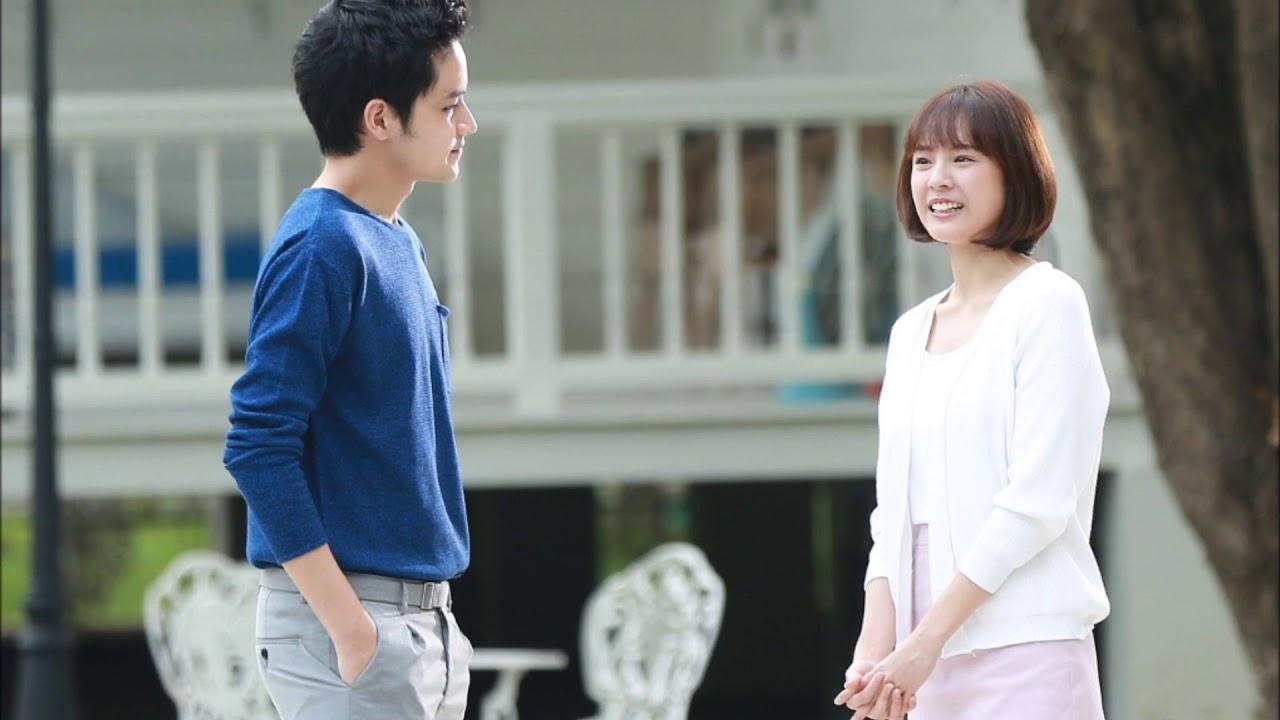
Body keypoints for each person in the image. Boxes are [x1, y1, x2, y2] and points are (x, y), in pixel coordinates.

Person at [222, 1, 478, 718]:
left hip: (422, 626)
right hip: (354, 633)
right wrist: (351, 630)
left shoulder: (394, 238)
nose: (467, 124)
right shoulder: (321, 247)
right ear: (379, 118)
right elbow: (257, 447)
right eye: (449, 105)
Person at [832, 80, 1110, 719]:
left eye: (963, 158)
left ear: (1016, 173)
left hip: (1026, 649)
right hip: (919, 666)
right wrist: (875, 650)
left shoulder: (1048, 304)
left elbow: (1038, 502)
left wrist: (923, 642)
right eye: (922, 160)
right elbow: (893, 515)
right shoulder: (909, 333)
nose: (938, 178)